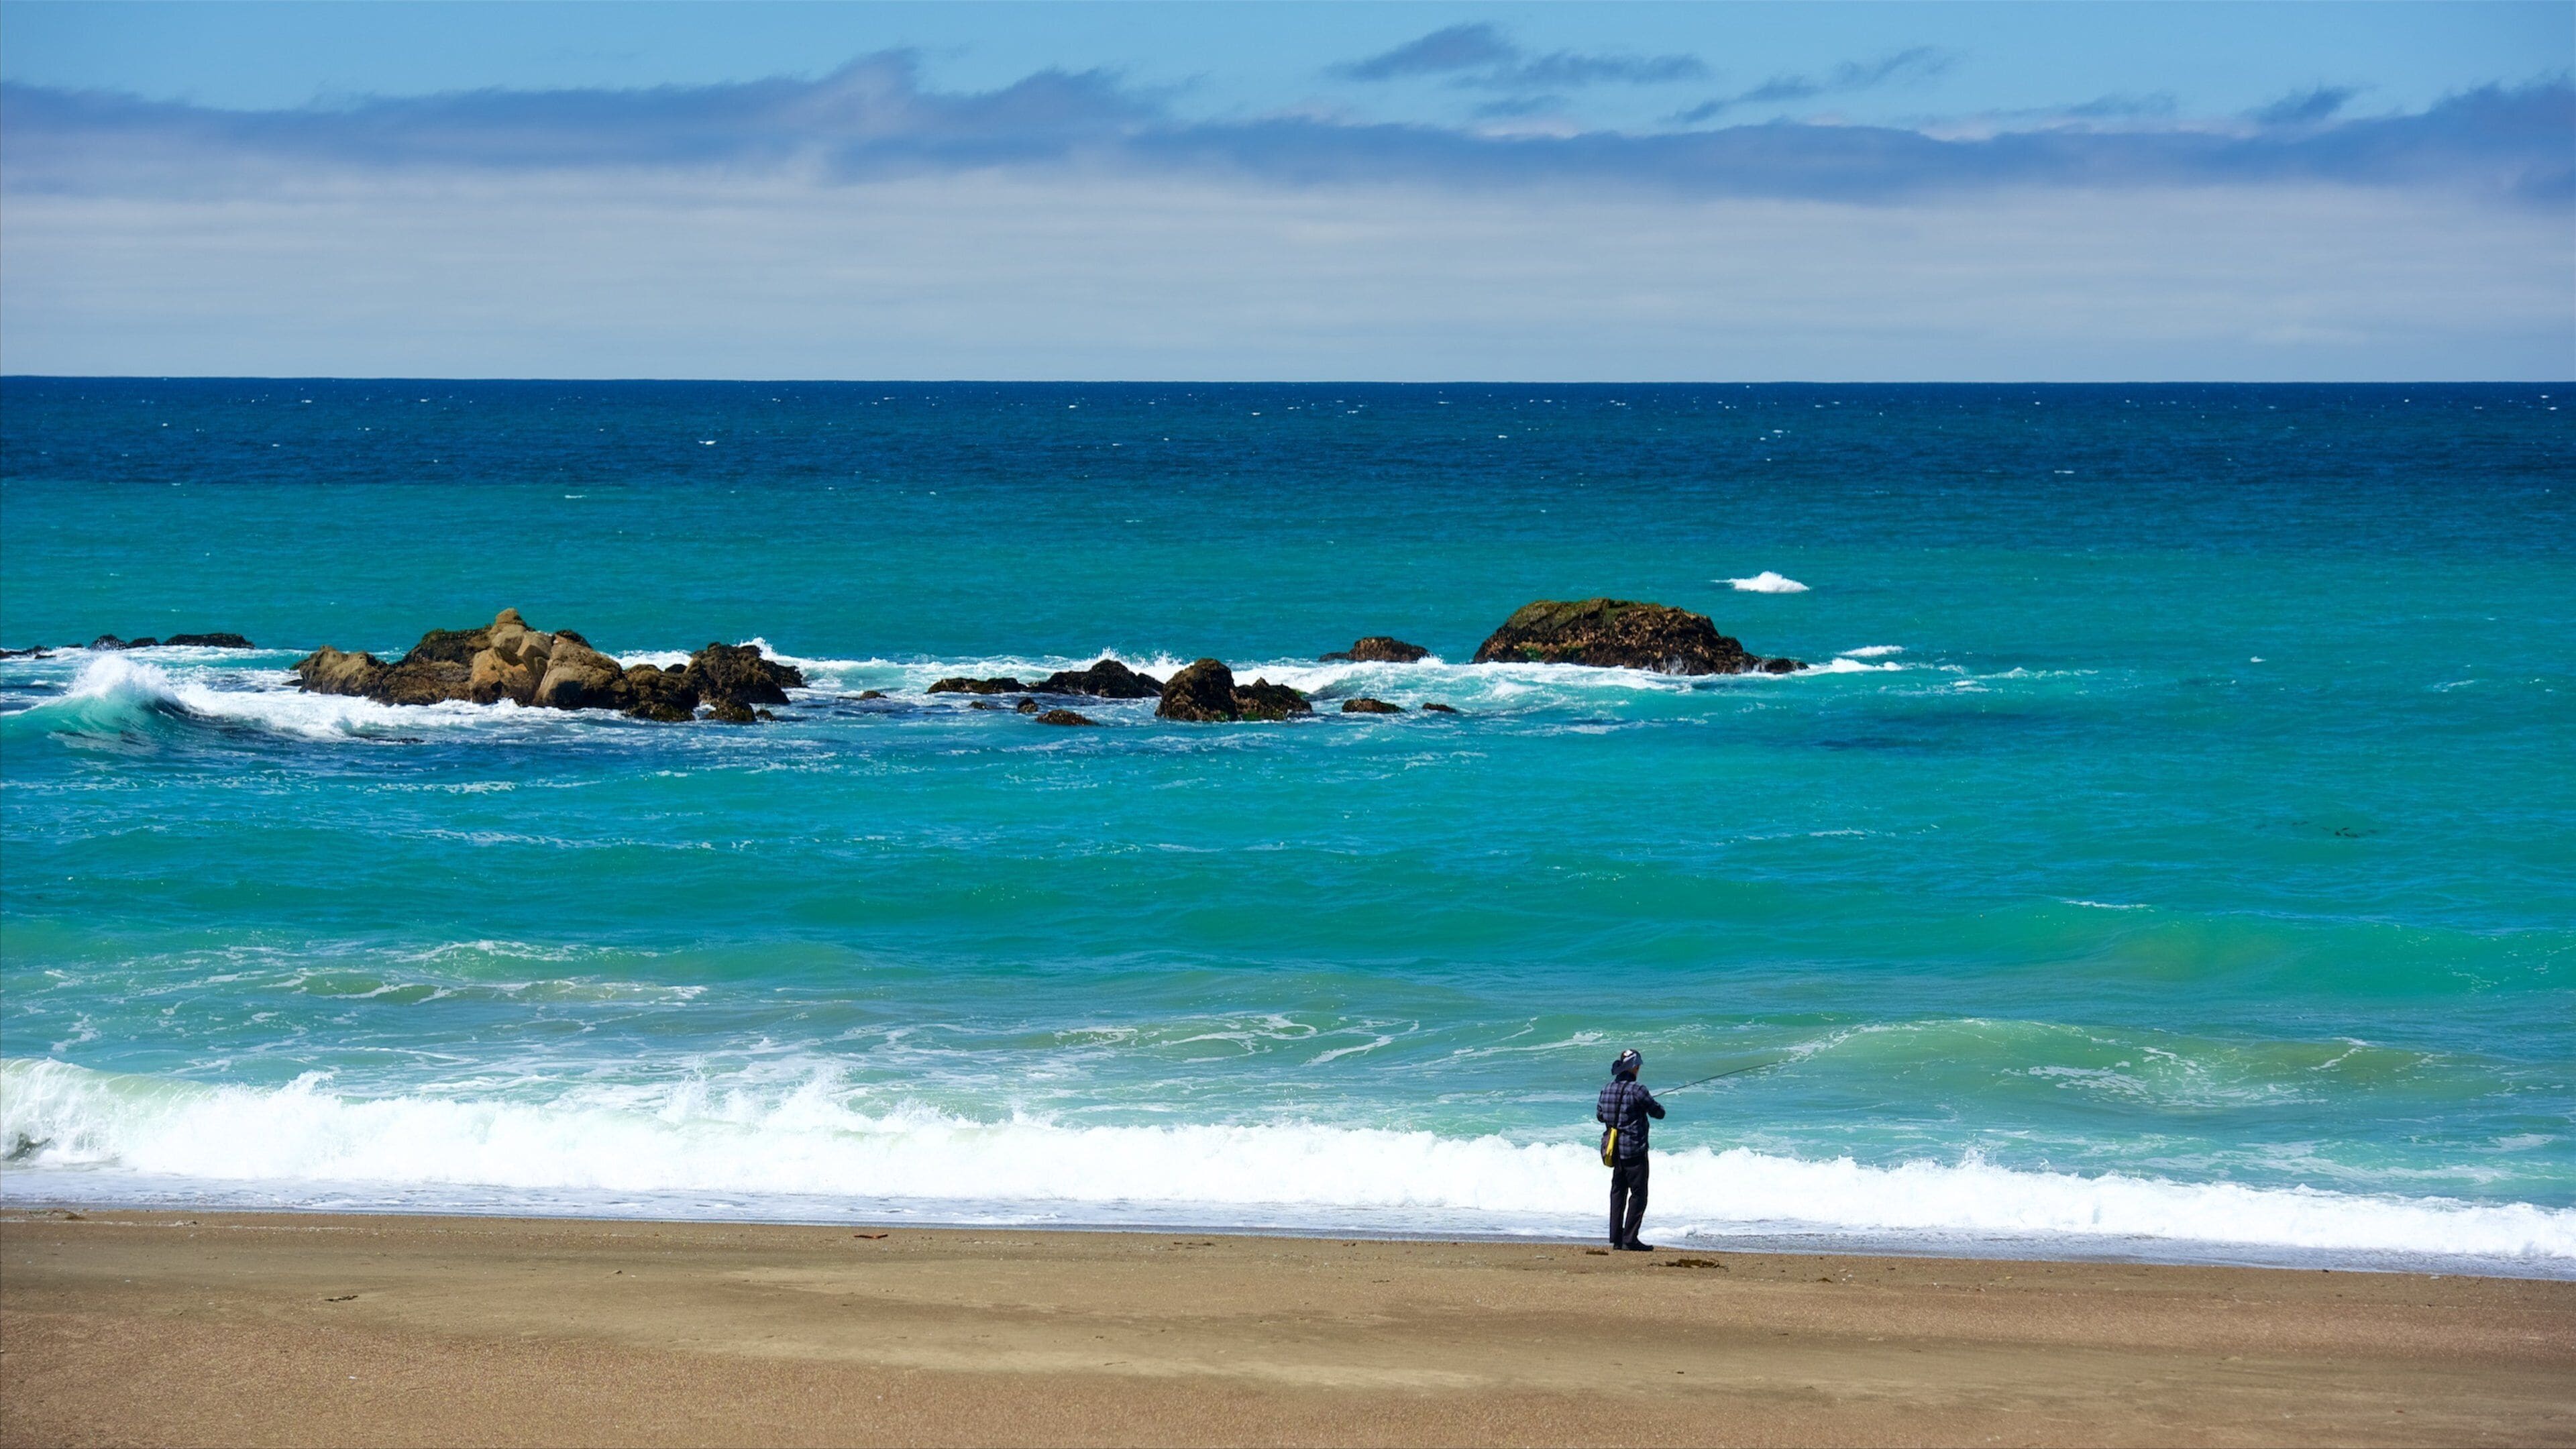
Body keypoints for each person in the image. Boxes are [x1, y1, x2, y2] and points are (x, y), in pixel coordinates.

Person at [1595, 1048, 1665, 1251]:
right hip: (1634, 1149)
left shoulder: (1607, 1089)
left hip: (1614, 1150)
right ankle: (1630, 1238)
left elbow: (1601, 1116)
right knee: (1639, 1194)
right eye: (1638, 1066)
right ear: (1634, 1067)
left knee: (1618, 1193)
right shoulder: (1638, 1090)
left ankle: (1616, 1239)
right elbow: (1658, 1113)